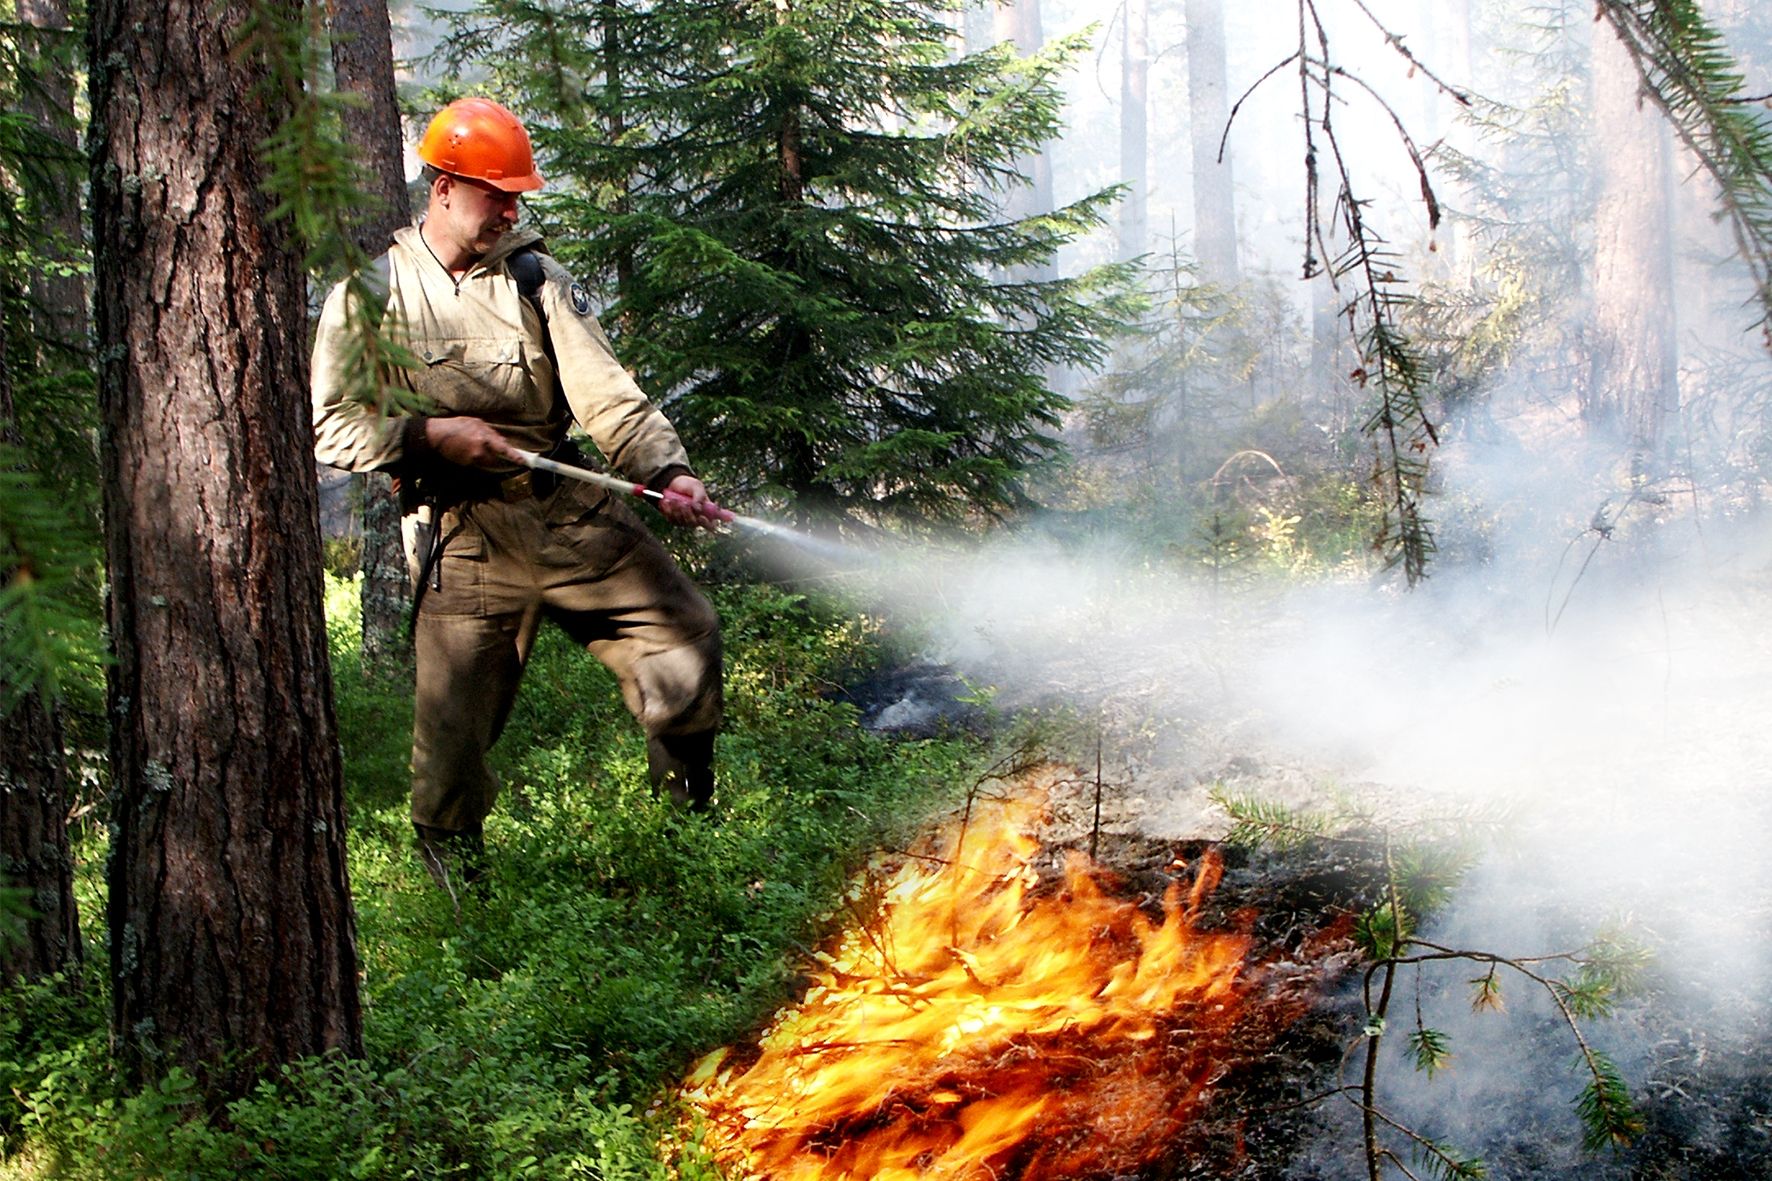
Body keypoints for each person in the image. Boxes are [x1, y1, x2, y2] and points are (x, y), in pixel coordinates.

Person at [311, 97, 723, 897]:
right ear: (441, 189)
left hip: (572, 516)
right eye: (495, 193)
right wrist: (431, 436)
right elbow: (333, 429)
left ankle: (687, 842)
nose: (511, 209)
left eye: (516, 194)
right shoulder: (368, 295)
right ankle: (463, 912)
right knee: (450, 746)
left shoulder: (538, 280)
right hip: (461, 536)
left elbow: (609, 397)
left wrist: (668, 473)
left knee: (685, 638)